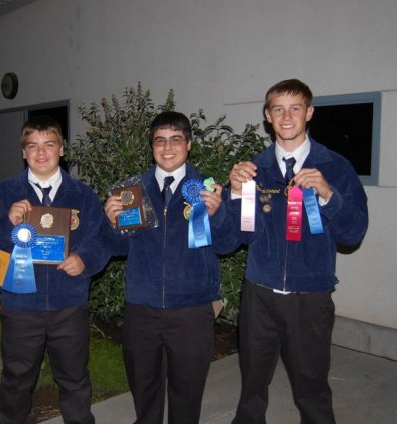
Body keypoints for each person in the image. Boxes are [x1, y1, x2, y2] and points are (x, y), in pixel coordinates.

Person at [227, 79, 369, 423]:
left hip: (310, 297)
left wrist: (327, 194)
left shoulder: (335, 167)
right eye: (278, 108)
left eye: (295, 108)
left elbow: (354, 232)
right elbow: (235, 238)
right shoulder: (253, 171)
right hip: (259, 295)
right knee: (251, 390)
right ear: (267, 115)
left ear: (309, 113)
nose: (286, 116)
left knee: (312, 391)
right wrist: (234, 194)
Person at [102, 111, 234, 424]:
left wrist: (219, 216)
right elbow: (118, 247)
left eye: (176, 139)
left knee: (187, 394)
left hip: (191, 309)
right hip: (142, 308)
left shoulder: (208, 189)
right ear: (151, 147)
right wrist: (111, 223)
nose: (168, 147)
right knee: (144, 391)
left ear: (188, 144)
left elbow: (228, 244)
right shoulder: (131, 191)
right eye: (160, 140)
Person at [0, 115, 108, 424]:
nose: (41, 153)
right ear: (23, 152)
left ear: (62, 149)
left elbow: (102, 239)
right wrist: (5, 221)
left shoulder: (83, 195)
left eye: (49, 144)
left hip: (69, 304)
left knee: (75, 381)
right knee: (16, 382)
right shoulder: (3, 194)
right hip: (21, 305)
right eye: (32, 146)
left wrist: (85, 260)